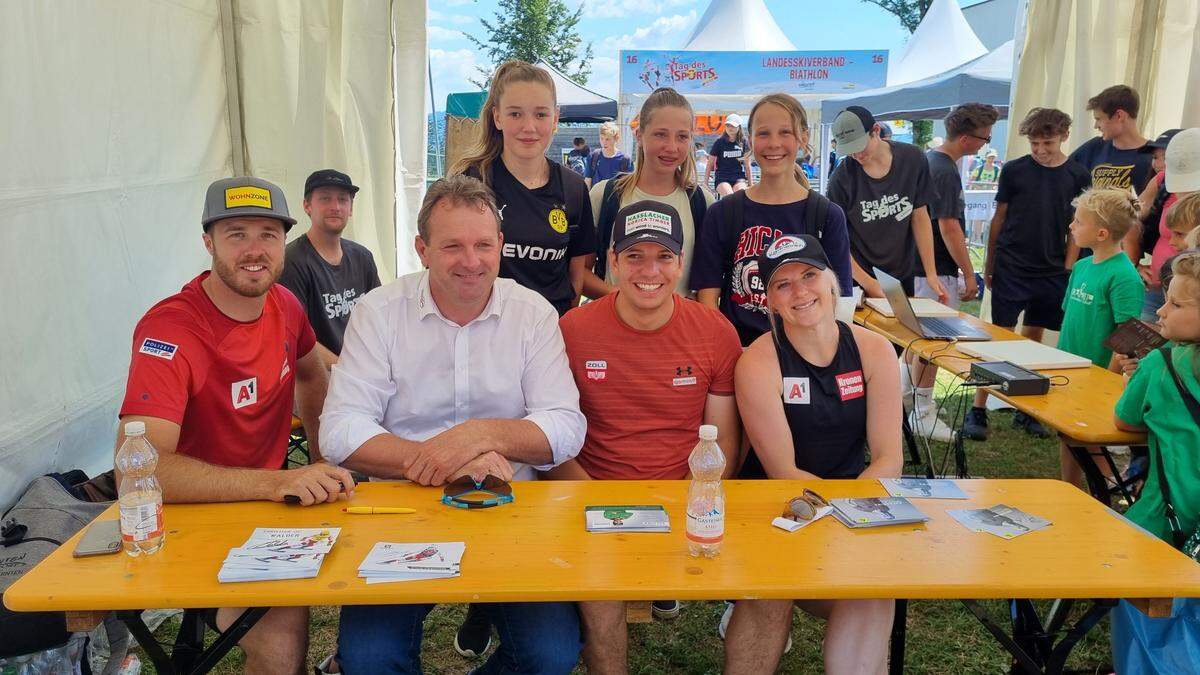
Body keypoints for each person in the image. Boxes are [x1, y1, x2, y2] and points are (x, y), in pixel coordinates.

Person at [321, 174, 586, 674]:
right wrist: (445, 463)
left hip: (512, 510)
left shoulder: (532, 314)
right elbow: (339, 430)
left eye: (484, 244)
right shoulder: (379, 312)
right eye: (452, 246)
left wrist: (477, 436)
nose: (472, 261)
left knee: (549, 657)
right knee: (371, 661)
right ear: (422, 249)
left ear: (501, 245)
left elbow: (566, 427)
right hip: (404, 511)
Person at [117, 176, 354, 674]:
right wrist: (277, 481)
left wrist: (320, 457)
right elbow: (142, 472)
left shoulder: (285, 307)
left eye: (268, 234)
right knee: (280, 642)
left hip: (273, 511)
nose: (254, 250)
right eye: (236, 234)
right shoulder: (170, 329)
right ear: (208, 242)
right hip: (194, 522)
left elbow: (312, 374)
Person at [550, 201, 742, 668]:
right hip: (591, 494)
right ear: (611, 261)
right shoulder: (571, 330)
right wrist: (596, 505)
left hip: (684, 499)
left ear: (680, 264)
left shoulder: (715, 332)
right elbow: (553, 436)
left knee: (770, 586)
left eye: (663, 257)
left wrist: (688, 506)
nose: (649, 271)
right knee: (600, 597)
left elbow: (726, 447)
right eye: (634, 256)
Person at [723, 234, 901, 675]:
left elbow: (888, 457)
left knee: (874, 588)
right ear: (769, 301)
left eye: (808, 275)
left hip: (851, 507)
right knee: (773, 586)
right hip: (775, 511)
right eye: (782, 284)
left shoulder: (875, 350)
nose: (800, 292)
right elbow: (784, 471)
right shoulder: (759, 362)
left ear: (833, 280)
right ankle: (748, 605)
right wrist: (845, 518)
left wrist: (854, 519)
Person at [964, 108, 1092, 440]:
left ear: (1064, 135)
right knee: (1000, 338)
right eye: (1034, 143)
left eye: (1046, 142)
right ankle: (978, 408)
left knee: (1034, 338)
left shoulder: (1078, 175)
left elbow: (1078, 226)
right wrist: (989, 263)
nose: (1039, 150)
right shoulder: (1015, 170)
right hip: (1012, 265)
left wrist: (1067, 267)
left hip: (1051, 269)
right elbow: (999, 218)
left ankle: (1026, 407)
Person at [691, 93, 853, 346]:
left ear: (803, 137)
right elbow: (708, 297)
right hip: (739, 353)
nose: (774, 143)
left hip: (805, 355)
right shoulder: (723, 213)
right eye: (764, 134)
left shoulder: (827, 216)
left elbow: (837, 300)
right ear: (751, 140)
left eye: (785, 132)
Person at [450, 59, 599, 318]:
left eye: (541, 114)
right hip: (483, 333)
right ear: (497, 117)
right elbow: (445, 263)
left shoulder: (573, 188)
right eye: (515, 114)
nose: (528, 127)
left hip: (551, 335)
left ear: (556, 119)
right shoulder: (471, 182)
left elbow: (576, 274)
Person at [1110, 251, 1200, 672]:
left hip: (1166, 526)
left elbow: (1124, 421)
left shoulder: (1163, 364)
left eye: (1177, 304)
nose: (1161, 311)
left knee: (1146, 620)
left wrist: (1136, 377)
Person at [905, 103, 997, 442]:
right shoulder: (943, 169)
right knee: (935, 342)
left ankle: (913, 399)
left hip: (918, 266)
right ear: (965, 138)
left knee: (917, 340)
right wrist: (969, 274)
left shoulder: (930, 161)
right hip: (935, 269)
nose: (985, 145)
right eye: (984, 139)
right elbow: (949, 227)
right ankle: (922, 411)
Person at [588, 87, 714, 298]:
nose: (671, 147)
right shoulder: (604, 196)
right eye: (660, 134)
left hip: (679, 329)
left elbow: (706, 287)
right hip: (617, 326)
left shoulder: (702, 203)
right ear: (639, 134)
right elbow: (580, 273)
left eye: (682, 137)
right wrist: (630, 302)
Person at [1057, 187, 1144, 487]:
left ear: (1102, 233)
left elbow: (1127, 335)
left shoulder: (1123, 276)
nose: (1071, 226)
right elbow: (1070, 317)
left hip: (1096, 376)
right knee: (1068, 435)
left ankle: (1103, 491)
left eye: (1079, 222)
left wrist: (1106, 382)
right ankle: (1070, 490)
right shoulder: (1081, 266)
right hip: (1069, 372)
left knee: (1090, 442)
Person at [827, 105, 948, 304]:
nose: (856, 155)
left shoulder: (913, 159)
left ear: (875, 131)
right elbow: (837, 241)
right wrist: (868, 283)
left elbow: (920, 216)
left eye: (860, 147)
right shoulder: (841, 179)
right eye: (849, 151)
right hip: (860, 278)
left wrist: (931, 273)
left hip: (902, 273)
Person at [278, 169, 381, 368]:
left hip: (364, 372)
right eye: (325, 199)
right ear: (307, 206)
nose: (335, 207)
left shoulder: (363, 257)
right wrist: (347, 371)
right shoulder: (291, 261)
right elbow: (295, 336)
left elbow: (381, 317)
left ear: (351, 208)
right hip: (320, 378)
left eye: (343, 200)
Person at [1136, 128, 1200, 321]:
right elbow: (1131, 216)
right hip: (1157, 287)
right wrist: (1133, 262)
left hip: (1191, 295)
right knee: (1142, 347)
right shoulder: (1162, 181)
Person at [1069, 85, 1154, 196]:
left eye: (1099, 119)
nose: (1096, 126)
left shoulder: (1154, 154)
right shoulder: (1094, 147)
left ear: (1119, 116)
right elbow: (1064, 174)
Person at [705, 113, 754, 196]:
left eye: (733, 126)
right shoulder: (719, 142)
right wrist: (705, 183)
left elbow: (747, 165)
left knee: (740, 196)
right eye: (728, 125)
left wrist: (751, 184)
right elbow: (710, 164)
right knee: (729, 196)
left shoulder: (744, 142)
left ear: (739, 127)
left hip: (739, 177)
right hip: (722, 178)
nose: (730, 128)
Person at [586, 121, 632, 188]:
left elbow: (628, 185)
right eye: (601, 138)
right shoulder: (593, 156)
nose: (604, 142)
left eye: (608, 139)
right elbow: (588, 180)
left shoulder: (625, 159)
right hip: (595, 197)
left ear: (616, 138)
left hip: (616, 197)